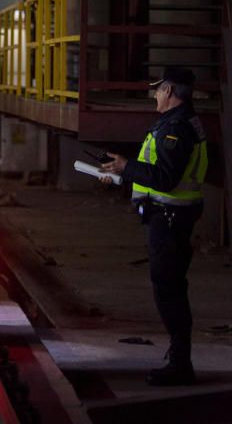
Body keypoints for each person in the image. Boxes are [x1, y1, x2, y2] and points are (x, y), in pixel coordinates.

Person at [100, 66, 208, 386]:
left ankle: (180, 364)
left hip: (170, 220)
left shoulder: (176, 128)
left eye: (158, 89)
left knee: (169, 292)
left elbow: (165, 178)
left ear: (170, 92)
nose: (155, 95)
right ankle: (180, 360)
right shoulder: (181, 122)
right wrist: (122, 175)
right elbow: (156, 173)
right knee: (170, 288)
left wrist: (126, 166)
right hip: (170, 217)